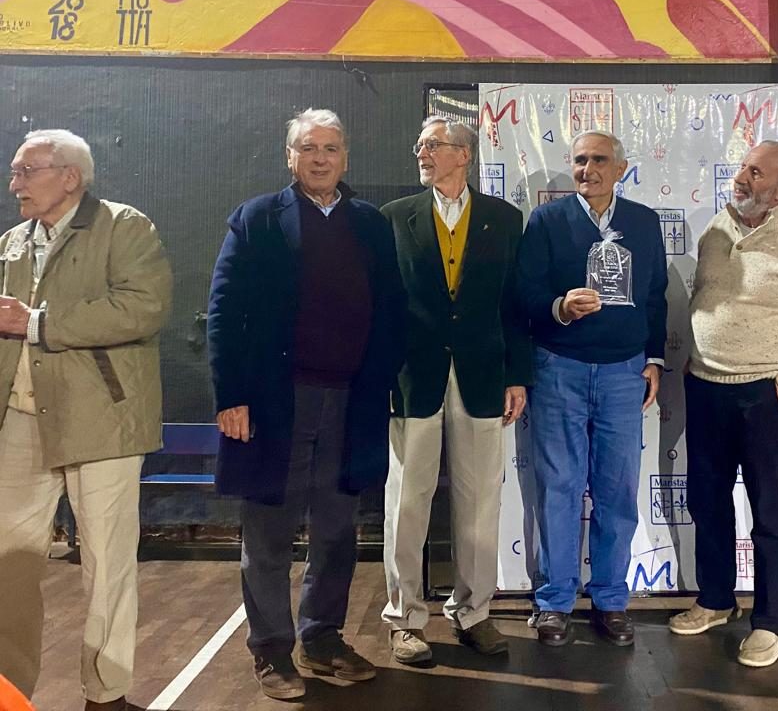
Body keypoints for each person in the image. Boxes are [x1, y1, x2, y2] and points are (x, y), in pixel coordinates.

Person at [207, 109, 404, 699]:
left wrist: (382, 380)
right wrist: (232, 396)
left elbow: (392, 309)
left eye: (331, 148)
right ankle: (271, 651)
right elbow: (224, 312)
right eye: (309, 148)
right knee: (268, 534)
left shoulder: (370, 223)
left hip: (351, 403)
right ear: (289, 156)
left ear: (346, 158)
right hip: (276, 404)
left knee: (338, 533)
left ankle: (322, 639)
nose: (320, 158)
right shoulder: (256, 218)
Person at [0, 129, 172, 711]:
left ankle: (106, 694)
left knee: (107, 564)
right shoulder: (11, 244)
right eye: (15, 172)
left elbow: (143, 307)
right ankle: (9, 693)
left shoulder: (125, 227)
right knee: (8, 566)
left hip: (102, 420)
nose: (14, 184)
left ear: (70, 177)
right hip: (21, 420)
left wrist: (38, 323)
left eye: (26, 171)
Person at [670, 140, 778, 667]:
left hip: (764, 392)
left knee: (767, 509)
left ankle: (770, 622)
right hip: (704, 386)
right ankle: (716, 599)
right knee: (707, 500)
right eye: (744, 167)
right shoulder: (717, 229)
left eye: (756, 172)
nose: (742, 177)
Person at [380, 116, 532, 664]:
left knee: (479, 501)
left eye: (433, 145)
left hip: (483, 375)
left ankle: (473, 612)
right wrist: (382, 374)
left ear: (463, 155)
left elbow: (515, 304)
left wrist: (517, 374)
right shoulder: (393, 217)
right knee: (406, 501)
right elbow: (381, 304)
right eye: (420, 144)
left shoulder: (504, 218)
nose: (421, 153)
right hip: (413, 377)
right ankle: (404, 617)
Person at [517, 130, 667, 648]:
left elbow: (656, 295)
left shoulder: (644, 222)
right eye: (580, 160)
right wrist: (559, 307)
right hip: (560, 366)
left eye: (600, 160)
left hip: (625, 372)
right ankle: (554, 601)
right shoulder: (547, 220)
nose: (588, 169)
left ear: (621, 168)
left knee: (617, 490)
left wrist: (654, 358)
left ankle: (610, 598)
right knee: (559, 487)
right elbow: (525, 292)